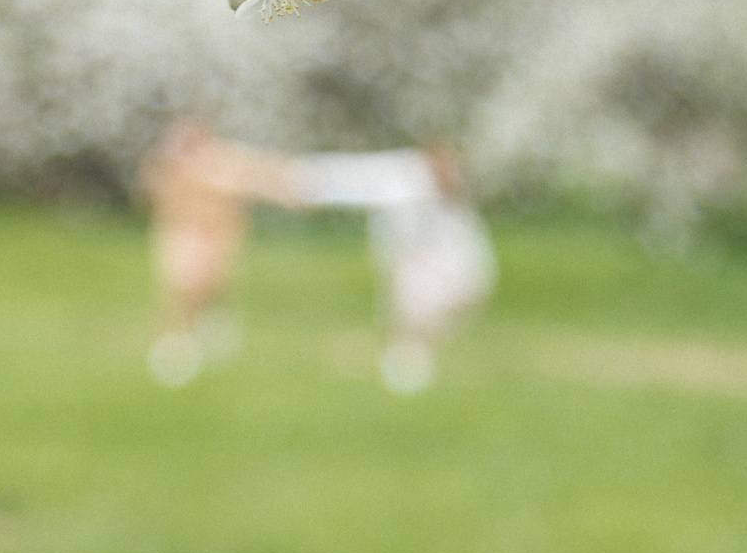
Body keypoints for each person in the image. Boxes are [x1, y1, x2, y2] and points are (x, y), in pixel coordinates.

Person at [291, 141, 495, 393]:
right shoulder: (404, 182)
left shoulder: (450, 202)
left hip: (447, 269)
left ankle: (411, 359)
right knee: (411, 310)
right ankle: (405, 363)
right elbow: (355, 181)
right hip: (416, 264)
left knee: (425, 314)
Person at [135, 118, 296, 386]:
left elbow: (259, 175)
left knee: (212, 283)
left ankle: (207, 325)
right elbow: (150, 194)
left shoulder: (222, 162)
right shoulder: (167, 166)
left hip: (217, 235)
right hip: (182, 232)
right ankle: (174, 342)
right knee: (182, 283)